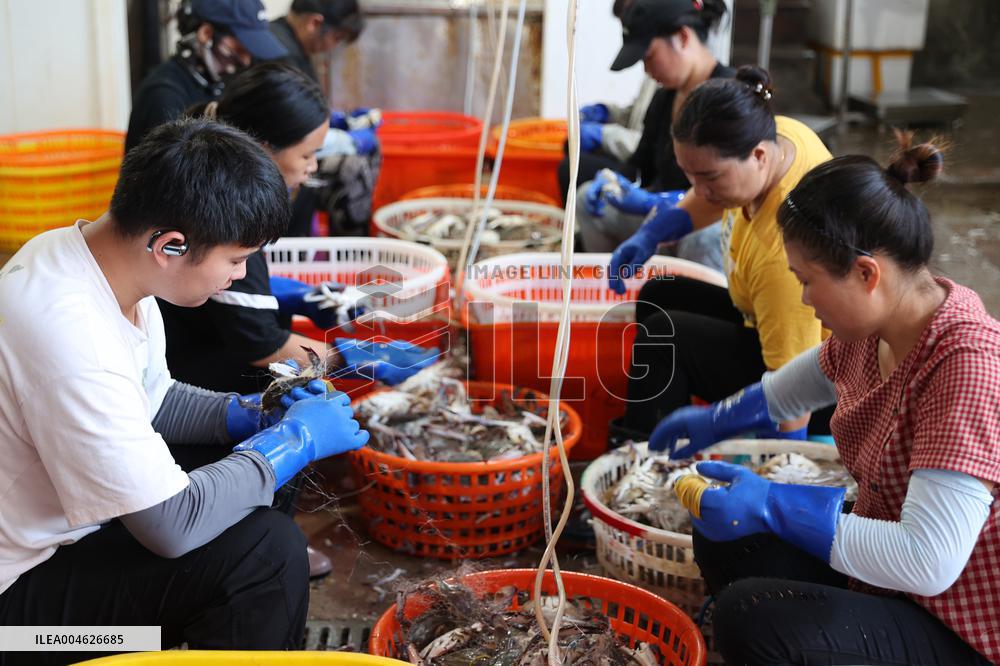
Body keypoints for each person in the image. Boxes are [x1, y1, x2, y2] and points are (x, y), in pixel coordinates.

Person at [0, 119, 369, 663]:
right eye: (236, 260)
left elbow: (155, 400)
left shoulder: (100, 263)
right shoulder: (70, 334)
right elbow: (170, 527)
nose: (239, 277)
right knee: (265, 553)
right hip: (21, 621)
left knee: (261, 478)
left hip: (69, 533)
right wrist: (290, 443)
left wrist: (251, 415)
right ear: (170, 245)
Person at [664, 139, 999, 665]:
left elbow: (928, 561)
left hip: (959, 621)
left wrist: (776, 504)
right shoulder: (883, 322)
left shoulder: (967, 364)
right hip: (894, 582)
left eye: (807, 281)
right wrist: (718, 418)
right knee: (723, 534)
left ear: (867, 274)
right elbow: (802, 381)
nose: (803, 298)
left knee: (752, 617)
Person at [160, 62, 437, 400]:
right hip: (193, 385)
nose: (314, 166)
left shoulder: (214, 178)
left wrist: (292, 295)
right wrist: (355, 358)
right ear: (262, 147)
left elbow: (227, 289)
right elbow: (263, 346)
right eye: (307, 154)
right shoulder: (221, 209)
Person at [619, 66, 832, 442]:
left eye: (710, 178)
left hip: (823, 391)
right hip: (761, 319)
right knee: (660, 294)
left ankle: (644, 461)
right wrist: (652, 234)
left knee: (665, 339)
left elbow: (795, 396)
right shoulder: (781, 136)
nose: (699, 190)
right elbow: (709, 195)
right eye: (691, 175)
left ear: (759, 156)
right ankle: (652, 426)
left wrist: (779, 471)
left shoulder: (784, 253)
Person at [574, 0, 732, 272]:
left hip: (711, 221)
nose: (647, 70)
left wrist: (665, 202)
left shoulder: (730, 97)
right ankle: (612, 289)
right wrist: (614, 182)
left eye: (649, 57)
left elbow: (729, 193)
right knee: (588, 198)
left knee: (701, 237)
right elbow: (640, 165)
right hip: (662, 214)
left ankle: (692, 304)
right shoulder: (664, 98)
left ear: (682, 37)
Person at [270, 0, 379, 237]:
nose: (333, 46)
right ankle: (349, 255)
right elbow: (293, 132)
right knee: (354, 168)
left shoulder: (289, 43)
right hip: (277, 159)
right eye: (337, 38)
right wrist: (348, 141)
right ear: (315, 23)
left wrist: (339, 121)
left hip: (295, 148)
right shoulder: (282, 56)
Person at [125, 0, 288, 153]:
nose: (245, 62)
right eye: (238, 51)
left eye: (250, 53)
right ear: (206, 33)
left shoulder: (215, 83)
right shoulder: (165, 96)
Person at [556, 0, 654, 199]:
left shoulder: (674, 81)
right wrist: (605, 111)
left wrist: (604, 135)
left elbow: (649, 147)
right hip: (635, 157)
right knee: (572, 145)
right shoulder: (654, 76)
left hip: (645, 170)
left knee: (573, 167)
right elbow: (636, 115)